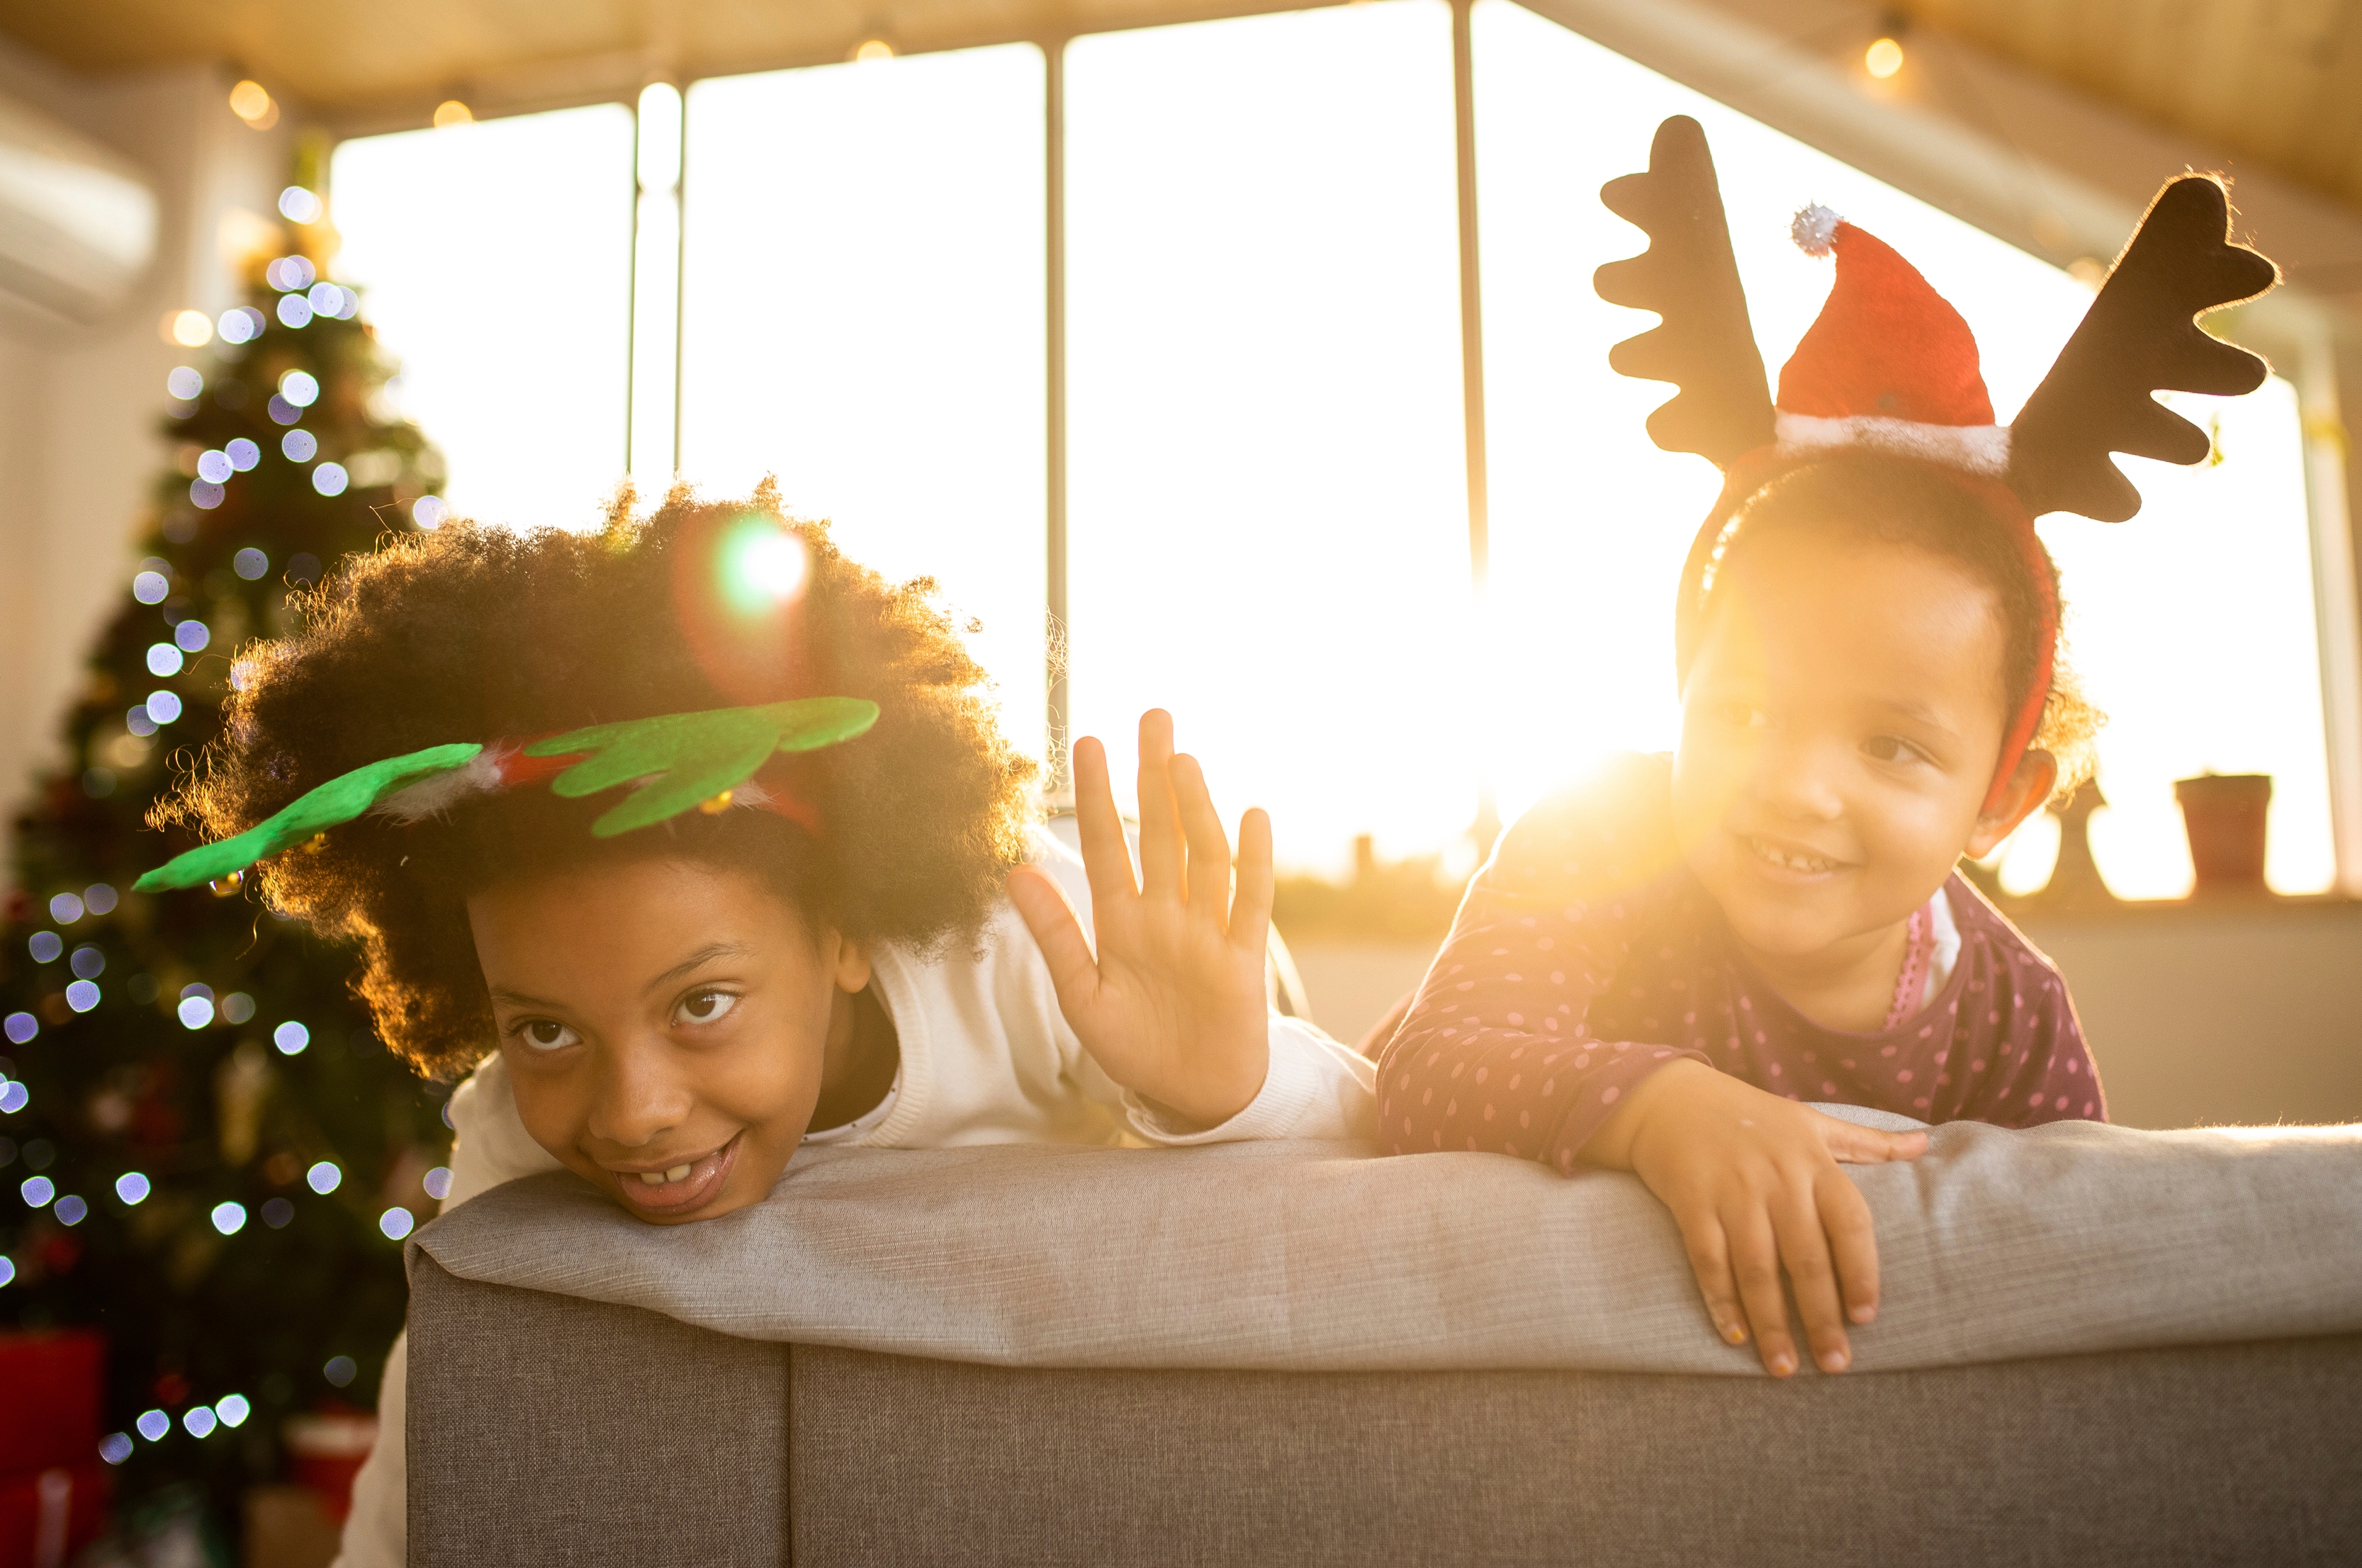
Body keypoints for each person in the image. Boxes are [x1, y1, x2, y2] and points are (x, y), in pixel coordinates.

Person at [140, 482, 1373, 1567]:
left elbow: (1373, 1178)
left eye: (703, 1002)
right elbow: (451, 1410)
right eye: (547, 1028)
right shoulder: (513, 1120)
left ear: (845, 932)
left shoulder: (1037, 967)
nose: (633, 1110)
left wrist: (1232, 1090)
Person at [1376, 117, 2280, 1382]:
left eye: (1892, 746)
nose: (1794, 782)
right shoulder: (1600, 832)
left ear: (2004, 799)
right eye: (1741, 710)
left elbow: (2075, 1243)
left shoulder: (2011, 1012)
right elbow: (1426, 1073)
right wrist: (1661, 1103)